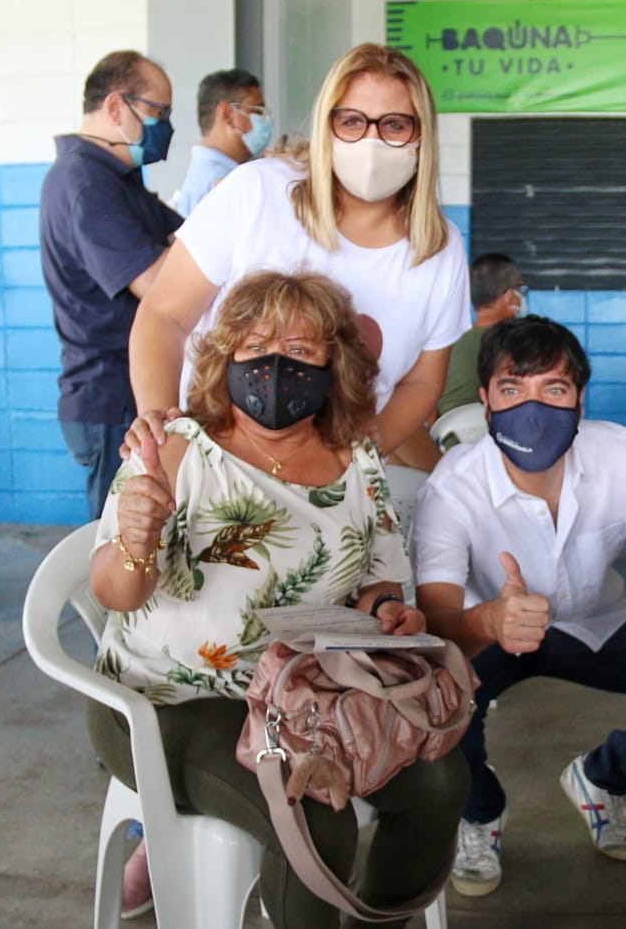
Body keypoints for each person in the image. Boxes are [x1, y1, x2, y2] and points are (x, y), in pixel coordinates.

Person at [86, 271, 468, 929]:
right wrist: (136, 538)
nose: (273, 364)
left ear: (334, 364)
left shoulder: (359, 462)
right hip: (171, 701)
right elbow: (113, 589)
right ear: (223, 356)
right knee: (314, 814)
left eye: (299, 349)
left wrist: (387, 613)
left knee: (440, 783)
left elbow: (377, 579)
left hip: (308, 696)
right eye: (255, 343)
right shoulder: (175, 448)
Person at [411, 314, 626, 898]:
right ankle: (480, 814)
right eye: (511, 389)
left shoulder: (623, 453)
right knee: (440, 692)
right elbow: (437, 618)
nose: (533, 408)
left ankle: (605, 775)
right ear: (484, 401)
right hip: (492, 626)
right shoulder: (452, 488)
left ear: (579, 401)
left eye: (553, 388)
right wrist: (489, 620)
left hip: (597, 617)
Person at [128, 43, 469, 461]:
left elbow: (421, 384)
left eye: (395, 125)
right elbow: (165, 314)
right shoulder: (257, 192)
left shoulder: (439, 248)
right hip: (212, 463)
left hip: (333, 485)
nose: (372, 141)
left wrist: (351, 462)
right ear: (327, 126)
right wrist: (162, 427)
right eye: (352, 122)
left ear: (422, 136)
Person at [39, 50, 182, 520]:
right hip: (110, 396)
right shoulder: (83, 183)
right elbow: (160, 283)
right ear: (117, 107)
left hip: (119, 391)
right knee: (118, 544)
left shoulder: (120, 180)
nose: (165, 127)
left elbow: (192, 241)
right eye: (159, 113)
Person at [436, 253, 526, 419]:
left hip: (449, 438)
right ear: (509, 296)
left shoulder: (447, 344)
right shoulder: (518, 344)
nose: (522, 297)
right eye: (520, 289)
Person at [176, 68, 270, 216]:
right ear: (227, 115)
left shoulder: (213, 173)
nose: (266, 120)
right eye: (257, 111)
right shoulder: (220, 181)